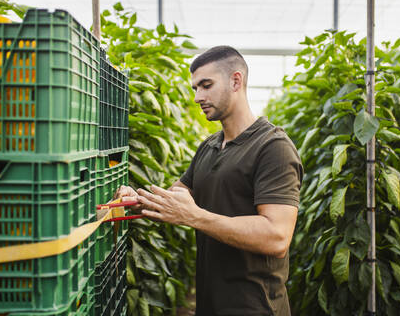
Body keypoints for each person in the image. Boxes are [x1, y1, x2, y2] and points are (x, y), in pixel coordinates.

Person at [115, 46, 303, 316]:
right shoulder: (210, 145)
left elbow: (276, 237)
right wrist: (140, 200)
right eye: (195, 88)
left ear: (235, 81)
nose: (197, 97)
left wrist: (194, 217)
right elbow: (179, 196)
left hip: (254, 306)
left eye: (206, 85)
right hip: (210, 301)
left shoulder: (272, 147)